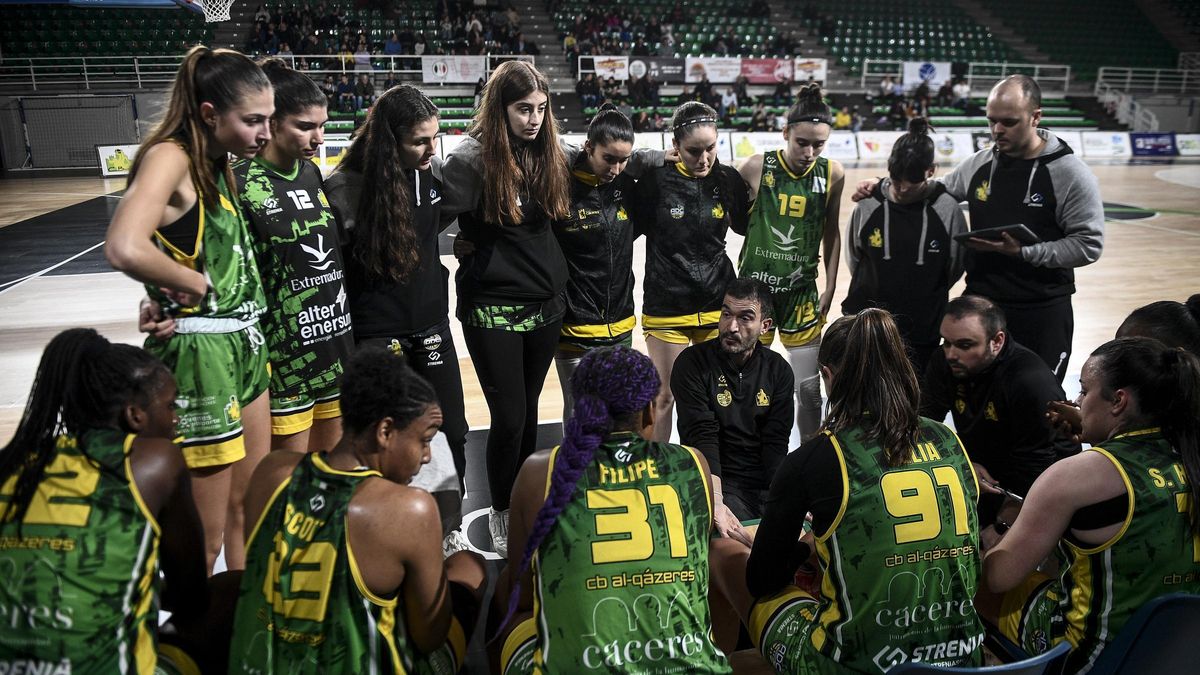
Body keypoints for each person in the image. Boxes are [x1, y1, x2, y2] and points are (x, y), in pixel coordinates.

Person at [710, 309, 984, 672]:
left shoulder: (817, 457)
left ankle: (721, 662)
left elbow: (762, 579)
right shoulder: (949, 439)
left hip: (855, 666)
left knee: (722, 550)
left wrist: (806, 546)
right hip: (963, 660)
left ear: (828, 376)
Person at [105, 46, 274, 572]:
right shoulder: (171, 156)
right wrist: (188, 284)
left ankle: (236, 633)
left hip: (242, 343)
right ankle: (187, 648)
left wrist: (167, 290)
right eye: (253, 120)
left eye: (268, 119)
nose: (264, 133)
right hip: (203, 357)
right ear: (208, 114)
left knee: (252, 512)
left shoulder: (218, 163)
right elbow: (123, 245)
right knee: (205, 538)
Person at [229, 346, 487, 673]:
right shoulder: (410, 509)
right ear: (385, 432)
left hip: (265, 662)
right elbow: (429, 636)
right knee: (469, 565)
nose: (426, 457)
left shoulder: (272, 471)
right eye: (424, 440)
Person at [493, 346, 732, 674]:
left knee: (508, 587)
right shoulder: (693, 462)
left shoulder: (539, 471)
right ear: (650, 413)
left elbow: (521, 591)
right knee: (716, 562)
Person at [856, 75, 1105, 383]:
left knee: (1036, 405)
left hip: (1040, 308)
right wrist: (881, 187)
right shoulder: (980, 164)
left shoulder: (1070, 173)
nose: (997, 130)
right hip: (981, 303)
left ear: (1036, 117)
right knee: (973, 400)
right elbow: (932, 189)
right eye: (992, 121)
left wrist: (1026, 252)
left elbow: (1089, 244)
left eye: (1009, 122)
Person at [984, 337, 1200, 673]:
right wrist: (1094, 430)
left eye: (1084, 391)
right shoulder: (1190, 453)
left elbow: (999, 577)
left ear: (1118, 401)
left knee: (974, 575)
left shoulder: (1076, 476)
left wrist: (995, 529)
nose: (1076, 401)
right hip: (1176, 650)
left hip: (1091, 658)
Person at [0, 328, 208, 671]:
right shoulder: (154, 462)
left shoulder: (14, 461)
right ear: (134, 416)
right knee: (230, 597)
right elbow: (192, 596)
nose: (176, 418)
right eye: (171, 406)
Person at [325, 84, 472, 554]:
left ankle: (446, 527)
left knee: (452, 427)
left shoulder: (429, 174)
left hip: (431, 326)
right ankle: (376, 527)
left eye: (435, 138)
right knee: (381, 435)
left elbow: (439, 228)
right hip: (376, 333)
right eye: (420, 141)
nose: (432, 150)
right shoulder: (346, 187)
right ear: (390, 140)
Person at [438, 61, 573, 559]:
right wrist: (460, 242)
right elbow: (427, 215)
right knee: (510, 417)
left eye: (540, 109)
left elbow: (604, 158)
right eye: (523, 110)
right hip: (492, 308)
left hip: (546, 305)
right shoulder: (470, 160)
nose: (534, 119)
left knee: (531, 412)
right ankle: (501, 511)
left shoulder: (550, 152)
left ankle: (524, 499)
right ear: (500, 108)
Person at [634, 101, 750, 443]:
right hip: (667, 306)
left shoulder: (728, 178)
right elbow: (622, 228)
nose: (703, 159)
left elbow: (748, 227)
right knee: (665, 397)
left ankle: (710, 477)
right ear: (675, 145)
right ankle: (655, 474)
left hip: (718, 305)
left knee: (715, 399)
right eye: (693, 151)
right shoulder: (655, 181)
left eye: (710, 148)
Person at [736, 83, 845, 440]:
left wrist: (830, 284)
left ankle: (811, 454)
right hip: (755, 296)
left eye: (819, 144)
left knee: (810, 389)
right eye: (802, 142)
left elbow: (831, 230)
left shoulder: (833, 174)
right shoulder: (755, 167)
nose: (810, 151)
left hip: (801, 293)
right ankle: (750, 453)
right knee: (751, 386)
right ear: (785, 133)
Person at [920, 295, 1080, 526]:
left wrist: (1002, 525)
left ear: (997, 341)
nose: (951, 354)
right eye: (946, 342)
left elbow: (1034, 463)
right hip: (989, 471)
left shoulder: (1030, 381)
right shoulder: (944, 362)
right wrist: (961, 462)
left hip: (1044, 481)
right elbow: (925, 421)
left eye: (965, 345)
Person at [843, 117, 967, 374]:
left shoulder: (947, 210)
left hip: (923, 328)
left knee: (915, 402)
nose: (900, 188)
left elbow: (954, 266)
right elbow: (854, 258)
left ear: (931, 171)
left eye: (910, 182)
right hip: (868, 327)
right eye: (895, 179)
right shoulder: (868, 203)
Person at [672, 278, 794, 534]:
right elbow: (702, 437)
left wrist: (785, 496)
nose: (731, 326)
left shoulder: (778, 370)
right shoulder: (692, 364)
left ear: (765, 326)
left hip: (762, 482)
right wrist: (716, 501)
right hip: (715, 480)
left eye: (745, 317)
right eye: (726, 314)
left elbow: (776, 444)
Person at [551, 104, 639, 422]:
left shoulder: (628, 188)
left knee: (619, 411)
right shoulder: (560, 189)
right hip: (574, 323)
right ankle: (578, 472)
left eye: (623, 160)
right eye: (609, 158)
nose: (616, 168)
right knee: (580, 412)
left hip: (621, 322)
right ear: (589, 147)